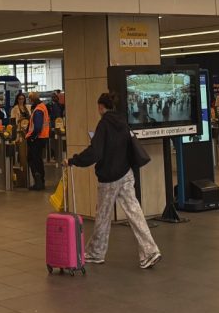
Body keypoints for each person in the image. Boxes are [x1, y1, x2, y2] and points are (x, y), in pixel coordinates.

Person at [67, 93, 161, 269]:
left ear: (101, 107)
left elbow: (95, 152)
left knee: (103, 216)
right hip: (126, 174)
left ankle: (96, 252)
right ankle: (150, 251)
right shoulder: (122, 121)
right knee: (135, 213)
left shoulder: (104, 124)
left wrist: (73, 160)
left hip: (109, 177)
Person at [26, 95, 50, 191]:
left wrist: (32, 137)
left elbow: (37, 127)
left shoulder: (38, 110)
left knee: (33, 160)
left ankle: (38, 182)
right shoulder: (43, 107)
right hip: (42, 137)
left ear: (32, 99)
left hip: (37, 139)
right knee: (37, 159)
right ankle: (41, 182)